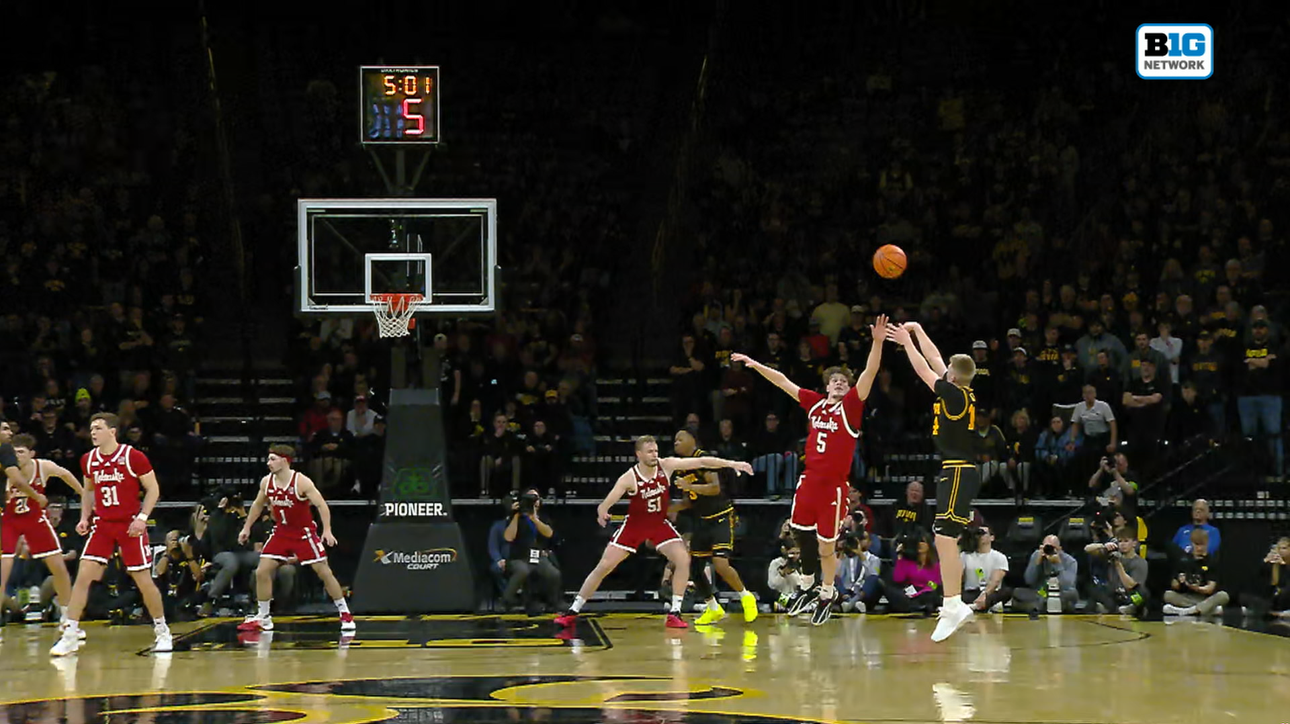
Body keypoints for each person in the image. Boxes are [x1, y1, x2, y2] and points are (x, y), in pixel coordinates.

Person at [731, 312, 888, 626]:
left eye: (844, 381)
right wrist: (755, 364)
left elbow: (870, 372)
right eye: (835, 380)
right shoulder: (815, 403)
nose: (840, 383)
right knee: (800, 535)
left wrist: (878, 342)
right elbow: (783, 382)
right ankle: (807, 584)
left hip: (833, 486)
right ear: (827, 385)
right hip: (808, 481)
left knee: (826, 547)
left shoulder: (852, 407)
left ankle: (827, 592)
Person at [554, 436, 752, 629]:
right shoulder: (629, 477)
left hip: (659, 524)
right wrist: (602, 511)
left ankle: (674, 612)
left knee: (683, 559)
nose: (654, 455)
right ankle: (573, 610)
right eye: (649, 451)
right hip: (635, 525)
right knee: (604, 566)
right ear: (638, 454)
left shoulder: (666, 465)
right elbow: (607, 501)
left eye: (656, 450)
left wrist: (732, 464)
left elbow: (701, 461)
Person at [886, 321, 981, 642]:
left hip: (958, 470)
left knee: (943, 537)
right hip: (956, 470)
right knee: (945, 539)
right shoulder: (960, 389)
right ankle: (953, 604)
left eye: (948, 372)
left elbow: (925, 371)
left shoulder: (954, 396)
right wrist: (917, 330)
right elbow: (936, 358)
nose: (944, 372)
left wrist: (905, 343)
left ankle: (953, 603)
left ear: (953, 377)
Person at [51, 413, 173, 656]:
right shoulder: (89, 459)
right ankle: (71, 632)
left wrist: (142, 518)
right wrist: (84, 517)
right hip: (103, 525)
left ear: (113, 431)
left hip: (130, 525)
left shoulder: (132, 456)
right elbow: (88, 491)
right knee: (84, 575)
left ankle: (162, 631)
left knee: (142, 579)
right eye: (91, 428)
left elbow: (153, 489)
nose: (93, 432)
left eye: (98, 428)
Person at [235, 445, 355, 634]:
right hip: (281, 532)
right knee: (261, 572)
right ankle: (264, 617)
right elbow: (258, 505)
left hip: (303, 533)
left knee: (324, 572)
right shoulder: (267, 482)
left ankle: (345, 613)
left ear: (285, 460)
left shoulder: (301, 482)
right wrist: (246, 527)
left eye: (273, 459)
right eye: (268, 459)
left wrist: (327, 530)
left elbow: (322, 505)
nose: (268, 463)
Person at [670, 429, 758, 625]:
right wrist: (670, 508)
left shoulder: (702, 458)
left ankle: (746, 596)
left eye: (680, 438)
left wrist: (690, 486)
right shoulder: (681, 468)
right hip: (701, 519)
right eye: (674, 439)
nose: (676, 442)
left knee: (720, 563)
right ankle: (712, 607)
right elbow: (689, 500)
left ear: (693, 440)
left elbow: (714, 488)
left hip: (721, 516)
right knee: (694, 567)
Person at [1, 433, 83, 628]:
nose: (17, 456)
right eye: (14, 453)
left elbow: (65, 474)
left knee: (58, 567)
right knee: (3, 570)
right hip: (8, 521)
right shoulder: (6, 469)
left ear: (31, 453)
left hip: (34, 520)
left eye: (21, 452)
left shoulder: (42, 466)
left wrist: (84, 493)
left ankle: (67, 617)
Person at [501, 488, 561, 614]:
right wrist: (517, 515)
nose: (533, 501)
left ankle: (553, 602)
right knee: (523, 570)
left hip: (537, 556)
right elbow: (508, 537)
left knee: (553, 573)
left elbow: (549, 533)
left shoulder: (543, 517)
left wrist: (534, 519)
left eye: (536, 498)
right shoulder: (515, 517)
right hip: (518, 557)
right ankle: (506, 600)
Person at [1013, 535, 1079, 613]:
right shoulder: (1037, 555)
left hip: (1061, 593)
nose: (1048, 550)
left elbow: (1067, 585)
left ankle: (1037, 606)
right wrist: (1037, 563)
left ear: (1059, 549)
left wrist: (1058, 565)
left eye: (1051, 548)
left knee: (1072, 594)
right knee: (1017, 592)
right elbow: (1029, 581)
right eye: (1046, 547)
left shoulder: (1070, 561)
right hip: (1041, 592)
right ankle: (1042, 604)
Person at [960, 525, 1011, 613]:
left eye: (983, 533)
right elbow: (958, 578)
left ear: (992, 537)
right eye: (977, 533)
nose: (980, 536)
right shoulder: (965, 556)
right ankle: (983, 605)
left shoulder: (999, 557)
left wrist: (984, 595)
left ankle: (979, 605)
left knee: (1006, 592)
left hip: (990, 593)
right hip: (972, 592)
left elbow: (995, 581)